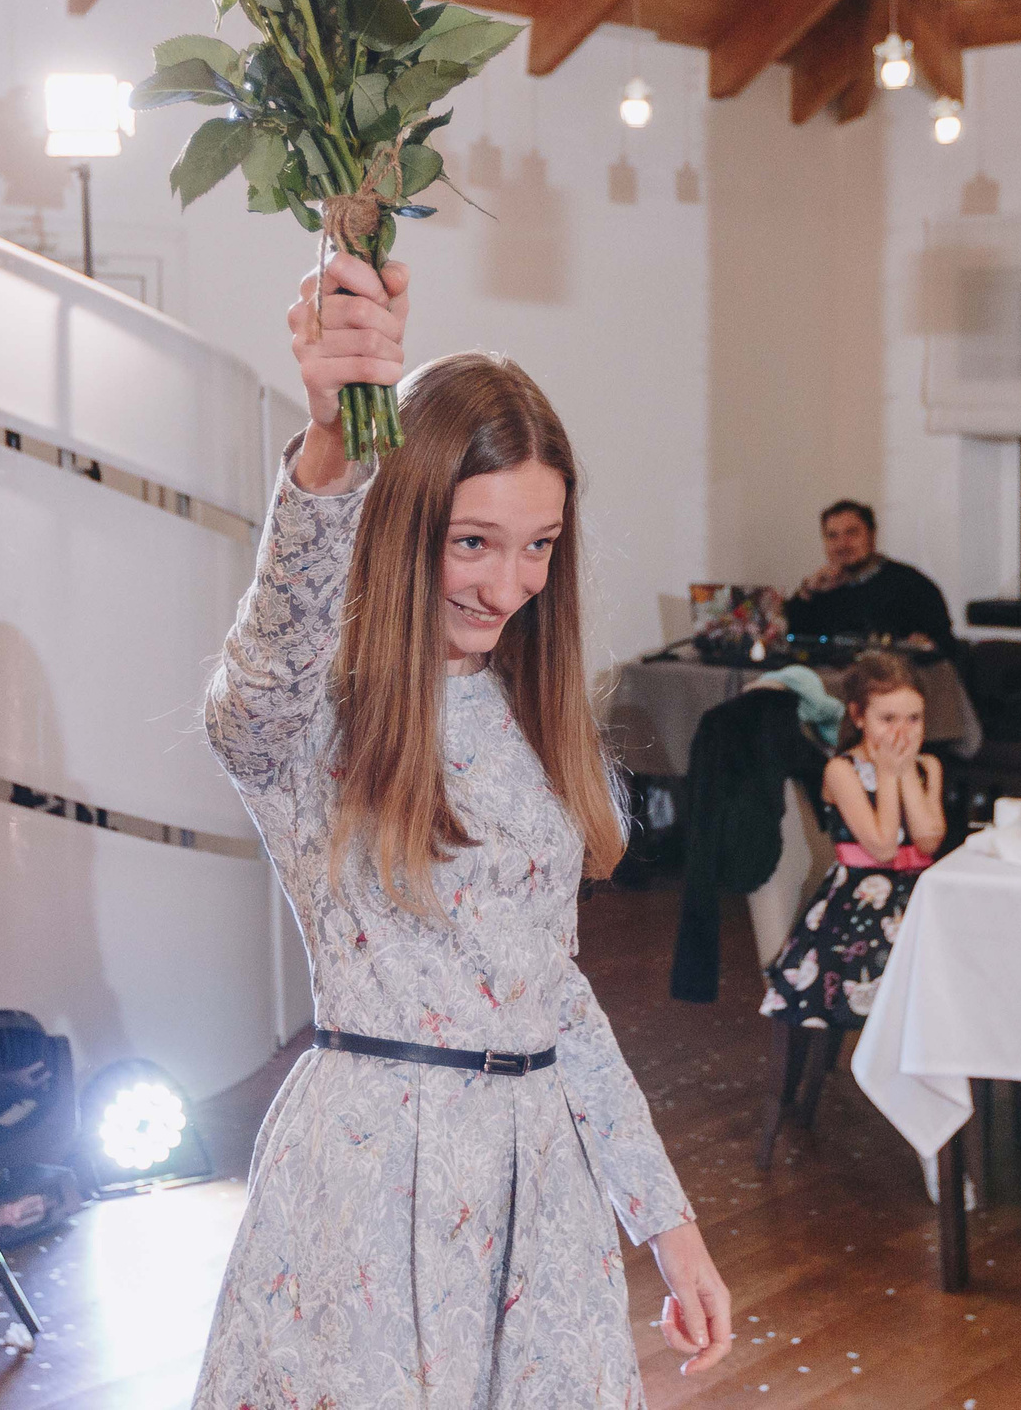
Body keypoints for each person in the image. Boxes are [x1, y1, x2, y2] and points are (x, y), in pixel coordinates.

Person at [193, 252, 731, 1407]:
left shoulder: (534, 718)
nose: (509, 585)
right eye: (472, 541)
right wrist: (332, 448)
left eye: (539, 545)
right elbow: (258, 675)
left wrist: (666, 1223)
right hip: (370, 1190)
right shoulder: (309, 723)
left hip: (541, 1196)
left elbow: (556, 994)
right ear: (400, 528)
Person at [759, 652, 945, 1029]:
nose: (902, 732)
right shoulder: (842, 770)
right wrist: (889, 774)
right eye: (887, 719)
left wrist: (906, 770)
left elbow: (927, 842)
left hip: (919, 896)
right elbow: (882, 847)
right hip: (860, 905)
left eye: (914, 718)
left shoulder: (928, 766)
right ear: (859, 716)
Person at [784, 499, 957, 654]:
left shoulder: (911, 585)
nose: (842, 544)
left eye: (851, 533)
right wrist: (807, 593)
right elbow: (791, 641)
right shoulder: (819, 592)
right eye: (832, 536)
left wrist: (924, 646)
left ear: (872, 536)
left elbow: (945, 646)